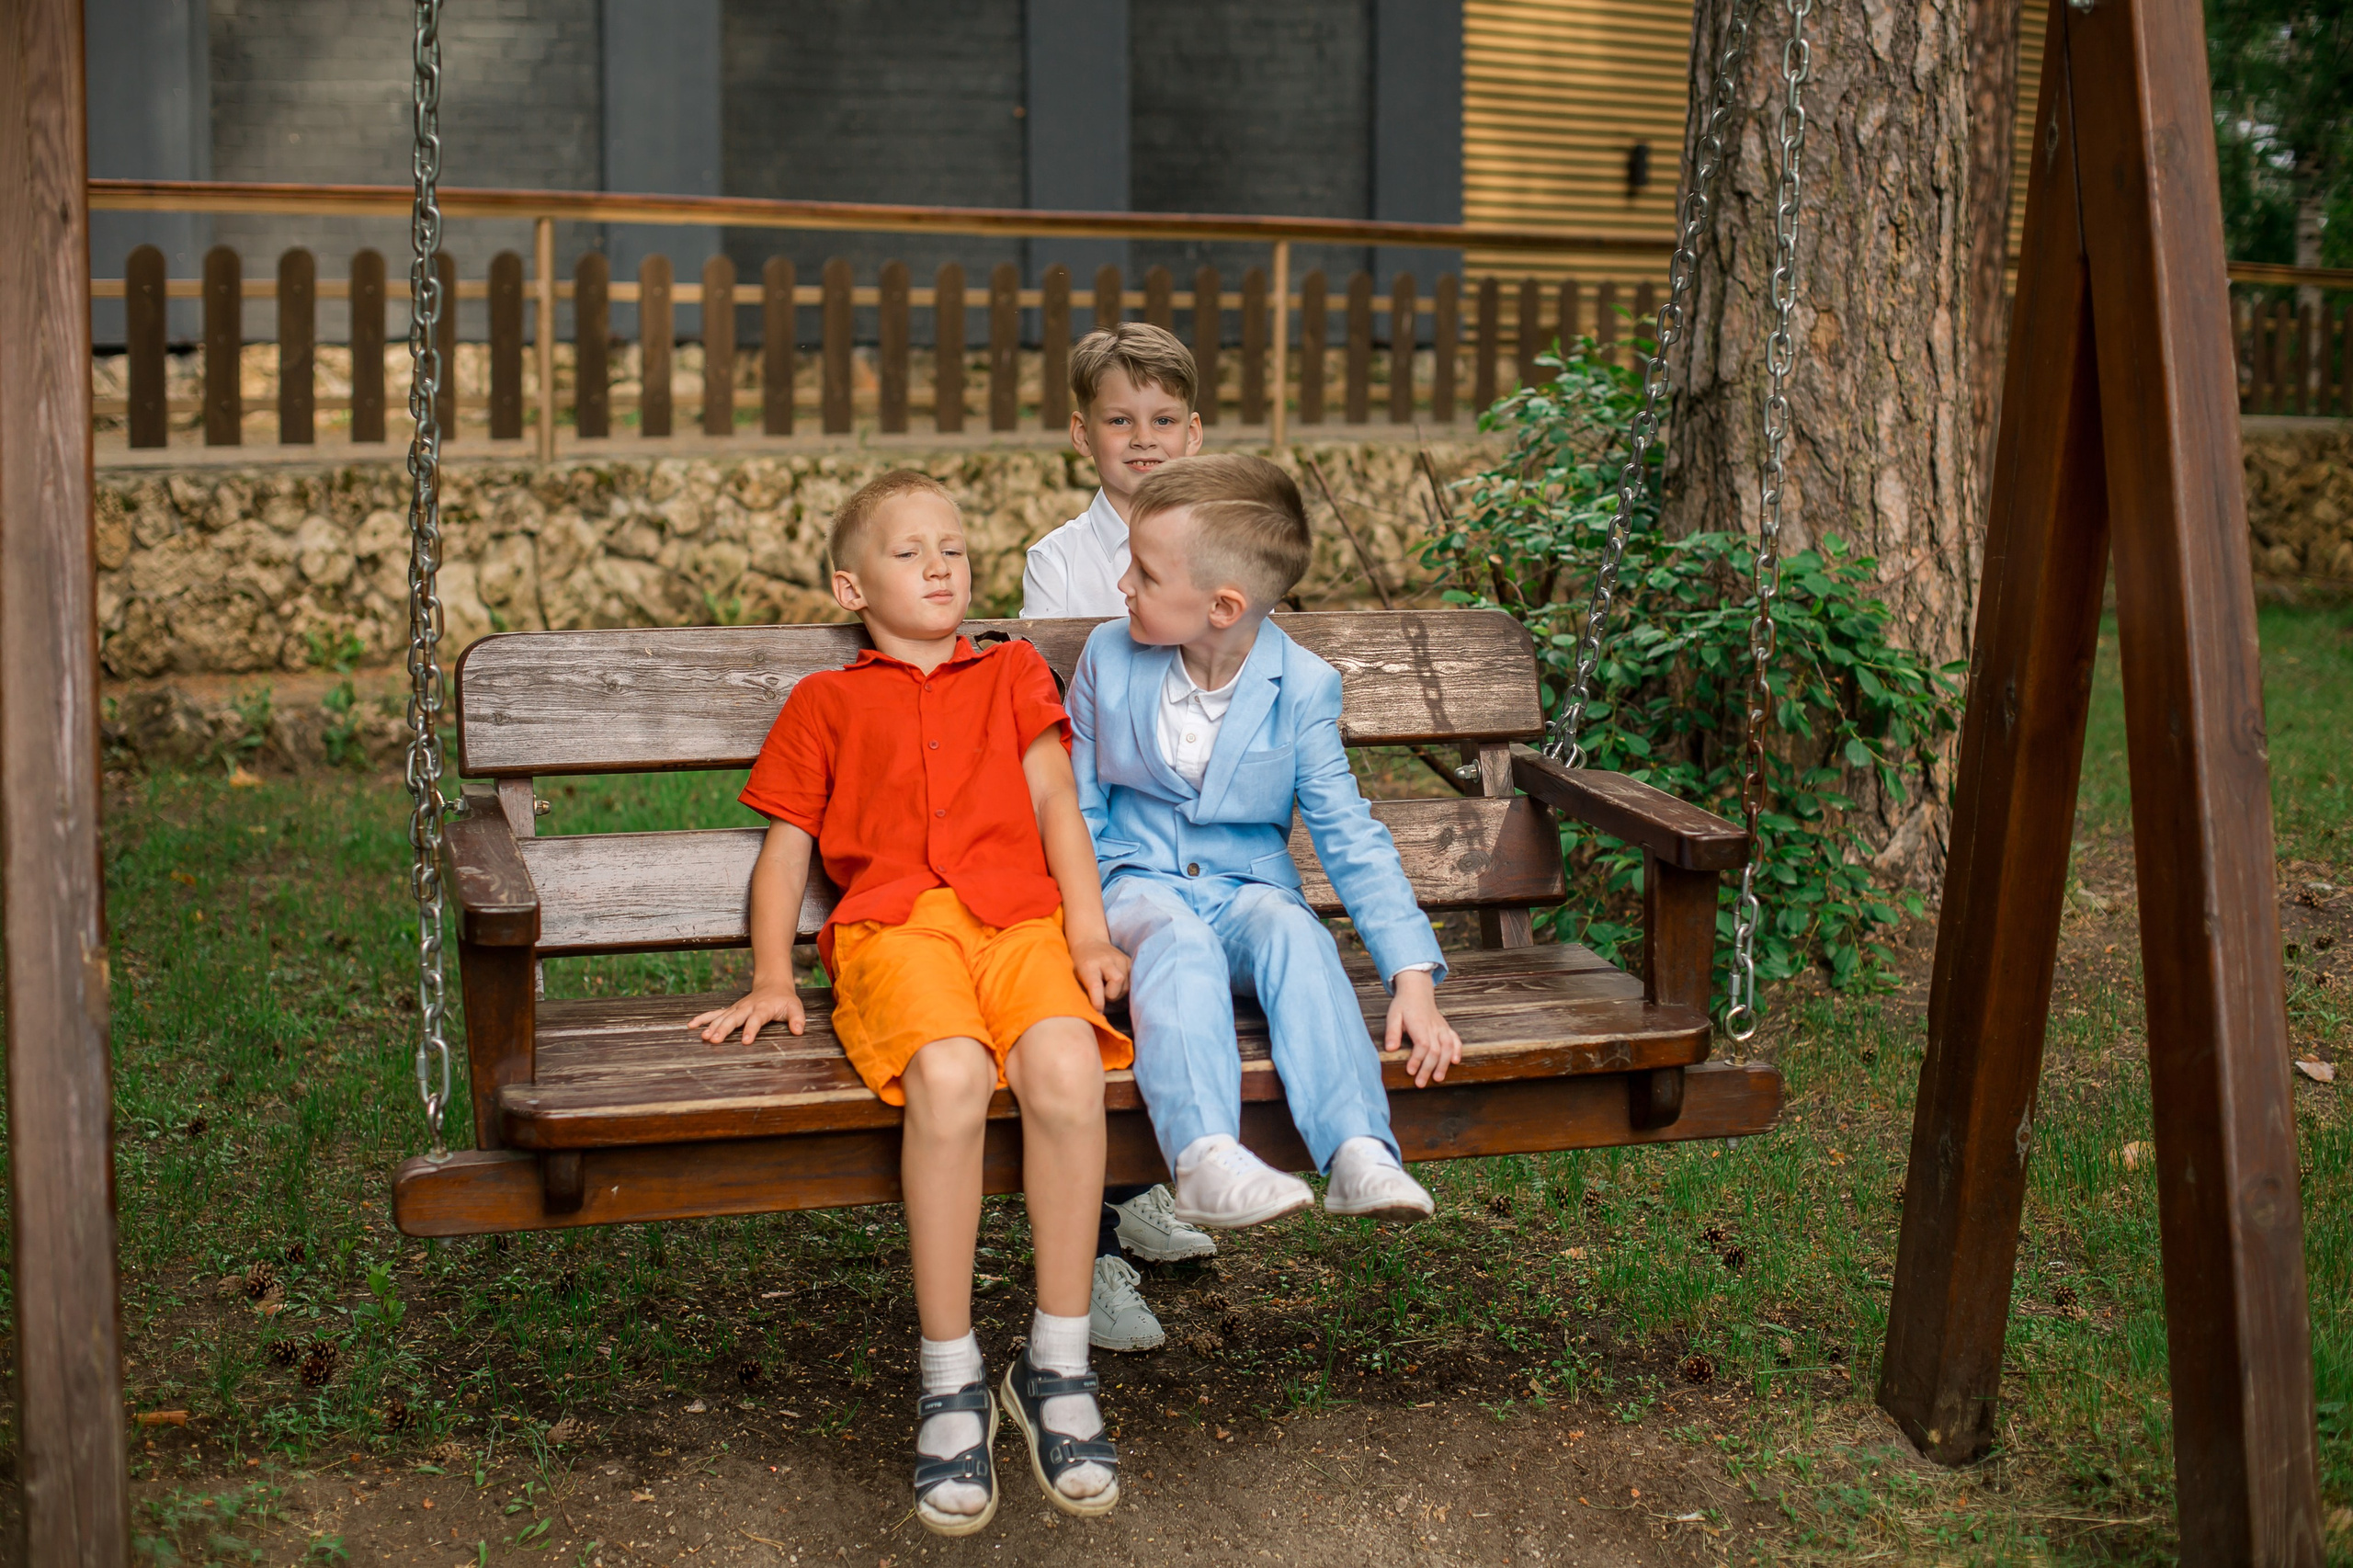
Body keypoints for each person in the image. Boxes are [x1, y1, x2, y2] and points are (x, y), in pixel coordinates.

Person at [692, 470, 1130, 1535]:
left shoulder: (1013, 672)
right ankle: (950, 1376)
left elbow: (1057, 810)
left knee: (1068, 1069)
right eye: (908, 551)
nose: (940, 565)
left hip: (1020, 923)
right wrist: (767, 975)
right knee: (949, 1073)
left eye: (954, 547)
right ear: (851, 585)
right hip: (897, 932)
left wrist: (1085, 928)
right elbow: (785, 850)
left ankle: (1056, 1366)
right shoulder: (825, 701)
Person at [1067, 452, 1464, 1230]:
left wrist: (1411, 977)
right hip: (1135, 885)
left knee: (1297, 932)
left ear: (1222, 606)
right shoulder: (1107, 660)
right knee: (1178, 942)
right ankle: (1205, 1156)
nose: (1124, 588)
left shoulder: (1304, 684)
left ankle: (1357, 1151)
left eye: (1144, 575)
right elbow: (1075, 811)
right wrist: (1082, 928)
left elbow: (1349, 834)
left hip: (1247, 891)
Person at [1020, 322, 1220, 1355]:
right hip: (1094, 831)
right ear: (1079, 433)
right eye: (1117, 420)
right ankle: (1089, 1243)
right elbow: (1067, 708)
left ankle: (1138, 1183)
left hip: (1195, 822)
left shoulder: (1227, 546)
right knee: (1106, 989)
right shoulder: (1062, 562)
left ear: (1196, 431)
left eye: (1160, 419)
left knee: (1187, 976)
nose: (1140, 439)